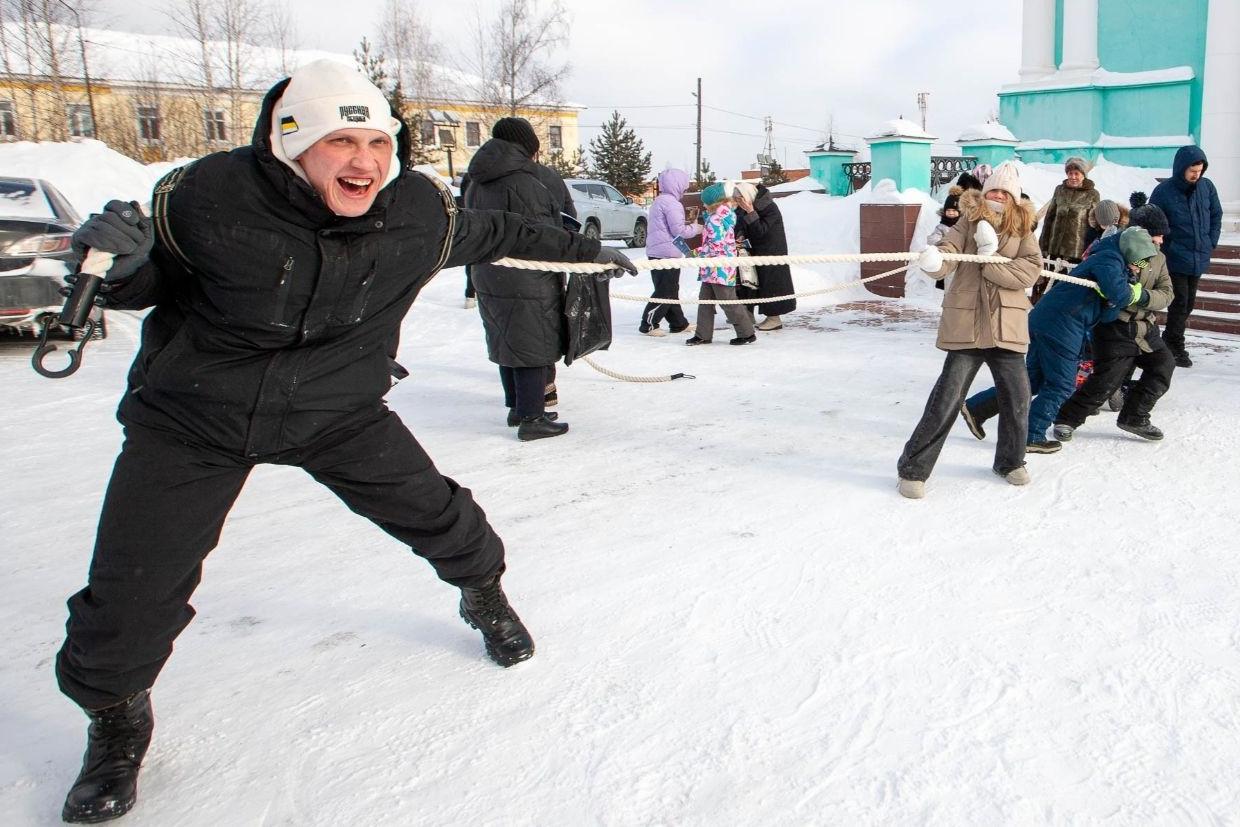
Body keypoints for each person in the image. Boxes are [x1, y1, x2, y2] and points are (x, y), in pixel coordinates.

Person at [53, 60, 635, 824]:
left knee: (437, 512)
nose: (364, 160)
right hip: (196, 414)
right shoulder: (206, 197)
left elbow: (495, 229)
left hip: (335, 406)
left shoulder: (414, 213)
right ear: (290, 142)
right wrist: (121, 268)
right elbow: (149, 279)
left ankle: (483, 591)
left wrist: (579, 249)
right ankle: (117, 718)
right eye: (340, 141)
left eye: (377, 141)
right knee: (129, 592)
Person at [897, 162, 1041, 498]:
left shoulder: (1023, 229)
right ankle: (913, 469)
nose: (998, 196)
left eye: (1005, 192)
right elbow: (949, 253)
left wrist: (990, 262)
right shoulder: (968, 221)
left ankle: (1010, 461)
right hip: (968, 324)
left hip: (1007, 325)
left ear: (1014, 197)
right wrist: (935, 262)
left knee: (1018, 397)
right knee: (946, 398)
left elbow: (1029, 272)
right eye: (993, 189)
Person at [963, 227, 1154, 453]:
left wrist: (1116, 297)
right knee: (1062, 384)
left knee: (1032, 380)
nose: (1139, 268)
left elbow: (1109, 313)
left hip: (1052, 320)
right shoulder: (1109, 259)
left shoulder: (1118, 267)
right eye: (1140, 262)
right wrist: (1136, 294)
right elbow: (1120, 295)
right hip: (1061, 324)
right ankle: (1031, 435)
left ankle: (977, 409)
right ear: (1131, 252)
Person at [464, 117, 581, 441]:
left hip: (488, 271)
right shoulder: (526, 182)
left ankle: (518, 407)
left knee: (507, 338)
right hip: (526, 274)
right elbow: (544, 233)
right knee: (533, 340)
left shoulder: (477, 181)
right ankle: (533, 417)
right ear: (527, 146)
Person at [1054, 206, 1176, 441]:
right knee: (1106, 382)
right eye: (1156, 235)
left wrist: (1142, 297)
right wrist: (1128, 295)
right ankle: (1066, 418)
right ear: (1140, 234)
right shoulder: (1117, 252)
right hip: (1115, 328)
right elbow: (1113, 291)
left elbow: (1167, 292)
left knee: (1163, 365)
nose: (1161, 240)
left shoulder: (1158, 258)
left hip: (1145, 328)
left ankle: (1135, 416)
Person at [1149, 144, 1224, 368]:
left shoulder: (1207, 187)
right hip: (1174, 257)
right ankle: (1174, 345)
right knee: (1180, 302)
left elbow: (1216, 214)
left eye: (1200, 171)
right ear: (1181, 168)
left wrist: (1211, 241)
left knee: (1188, 303)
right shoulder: (1164, 191)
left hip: (1198, 255)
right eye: (1192, 171)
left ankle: (1170, 340)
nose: (1196, 175)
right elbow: (1152, 220)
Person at [685, 181, 756, 346]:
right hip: (713, 267)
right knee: (705, 301)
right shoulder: (719, 216)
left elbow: (716, 245)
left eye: (704, 201)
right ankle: (703, 334)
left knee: (728, 301)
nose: (702, 204)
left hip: (719, 267)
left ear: (712, 202)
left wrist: (696, 253)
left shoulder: (716, 219)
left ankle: (747, 333)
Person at [639, 167, 700, 336]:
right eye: (684, 186)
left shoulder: (659, 201)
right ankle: (648, 323)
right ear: (677, 185)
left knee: (670, 289)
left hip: (658, 251)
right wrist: (696, 228)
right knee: (665, 290)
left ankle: (678, 323)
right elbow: (679, 231)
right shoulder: (672, 203)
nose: (685, 189)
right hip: (665, 254)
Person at [733, 180, 796, 330]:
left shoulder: (769, 208)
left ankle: (774, 317)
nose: (738, 202)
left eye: (740, 199)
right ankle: (747, 314)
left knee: (771, 284)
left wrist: (751, 212)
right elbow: (740, 226)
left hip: (771, 252)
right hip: (751, 252)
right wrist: (740, 235)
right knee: (748, 282)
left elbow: (761, 231)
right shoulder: (743, 208)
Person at [1036, 156, 1100, 302]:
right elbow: (1049, 219)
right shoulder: (1059, 190)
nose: (1073, 177)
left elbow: (1094, 224)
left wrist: (1090, 251)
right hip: (1054, 250)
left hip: (1076, 252)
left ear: (1083, 175)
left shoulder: (1092, 194)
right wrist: (1043, 246)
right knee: (1050, 288)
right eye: (1070, 173)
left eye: (1076, 173)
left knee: (1069, 289)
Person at [926, 187, 963, 290]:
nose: (951, 213)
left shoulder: (964, 226)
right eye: (949, 210)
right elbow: (932, 240)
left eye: (954, 210)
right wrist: (941, 245)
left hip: (964, 262)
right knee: (950, 285)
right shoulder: (941, 227)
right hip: (948, 261)